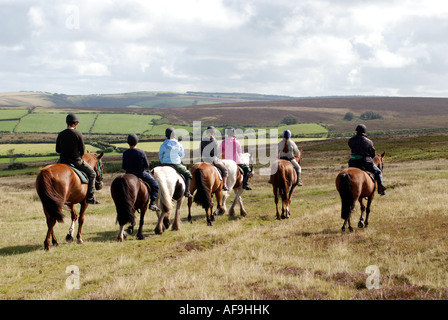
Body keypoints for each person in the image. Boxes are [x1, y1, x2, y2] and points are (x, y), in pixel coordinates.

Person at [56, 113, 99, 204]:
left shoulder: (61, 134)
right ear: (75, 123)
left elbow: (57, 150)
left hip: (62, 160)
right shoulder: (78, 133)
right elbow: (82, 151)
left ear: (67, 123)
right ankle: (90, 196)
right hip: (76, 161)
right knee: (92, 174)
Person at [122, 134, 160, 211]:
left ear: (128, 143)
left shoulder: (125, 153)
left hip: (129, 175)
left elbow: (124, 167)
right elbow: (147, 165)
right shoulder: (141, 152)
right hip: (141, 174)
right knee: (155, 185)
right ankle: (152, 203)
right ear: (137, 142)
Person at [348, 124, 386, 195]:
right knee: (378, 172)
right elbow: (373, 154)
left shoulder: (351, 140)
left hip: (352, 162)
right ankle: (381, 189)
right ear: (364, 131)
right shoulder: (369, 142)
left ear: (356, 131)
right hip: (365, 162)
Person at [158, 127, 192, 197]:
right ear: (174, 135)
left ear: (166, 135)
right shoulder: (179, 144)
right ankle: (187, 192)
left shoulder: (163, 144)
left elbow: (160, 156)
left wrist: (163, 162)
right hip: (176, 164)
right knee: (188, 174)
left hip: (165, 164)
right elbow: (182, 155)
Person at [200, 126, 229, 191]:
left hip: (204, 159)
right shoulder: (214, 141)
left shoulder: (203, 140)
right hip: (212, 159)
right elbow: (216, 152)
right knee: (225, 170)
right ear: (213, 133)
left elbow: (200, 151)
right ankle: (224, 185)